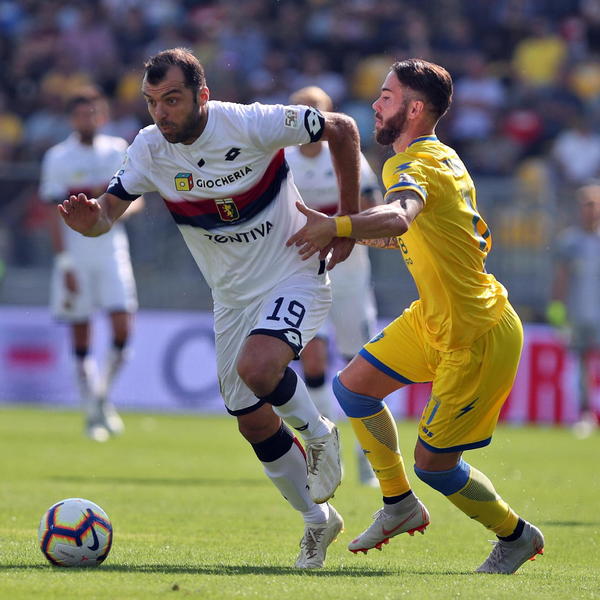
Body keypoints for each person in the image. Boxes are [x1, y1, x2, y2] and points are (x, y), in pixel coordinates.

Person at [57, 48, 362, 569]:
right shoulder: (149, 148)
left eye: (172, 100)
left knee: (258, 368)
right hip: (232, 298)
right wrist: (91, 223)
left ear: (202, 95)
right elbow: (107, 211)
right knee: (252, 422)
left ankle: (319, 434)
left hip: (294, 273)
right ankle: (317, 520)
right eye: (152, 102)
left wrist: (347, 222)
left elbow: (343, 128)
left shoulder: (251, 122)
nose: (161, 113)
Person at [288, 58, 545, 574]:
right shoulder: (443, 157)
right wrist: (349, 232)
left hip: (474, 333)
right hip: (435, 316)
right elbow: (418, 232)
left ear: (414, 109)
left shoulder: (412, 164)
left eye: (386, 96)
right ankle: (398, 504)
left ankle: (516, 535)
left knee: (436, 466)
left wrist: (338, 226)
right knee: (352, 390)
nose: (375, 104)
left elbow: (401, 217)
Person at [286, 85, 382, 486]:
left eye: (316, 110)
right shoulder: (280, 159)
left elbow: (373, 207)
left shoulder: (346, 155)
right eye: (300, 110)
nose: (308, 118)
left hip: (349, 275)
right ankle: (330, 445)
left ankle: (368, 454)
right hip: (302, 271)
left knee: (358, 367)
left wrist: (341, 229)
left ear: (329, 117)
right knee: (311, 357)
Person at [40, 89, 140, 443]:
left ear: (103, 116)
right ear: (72, 119)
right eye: (81, 114)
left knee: (123, 329)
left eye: (93, 113)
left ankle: (100, 398)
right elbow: (52, 214)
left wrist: (109, 212)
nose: (88, 120)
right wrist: (64, 262)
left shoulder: (117, 150)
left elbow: (136, 200)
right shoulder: (58, 157)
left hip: (112, 252)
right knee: (81, 335)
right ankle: (92, 412)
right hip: (76, 257)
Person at [547, 182, 600, 437]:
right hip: (578, 314)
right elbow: (561, 277)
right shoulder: (569, 241)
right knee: (581, 364)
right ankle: (585, 413)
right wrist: (558, 309)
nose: (590, 210)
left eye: (593, 205)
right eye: (586, 205)